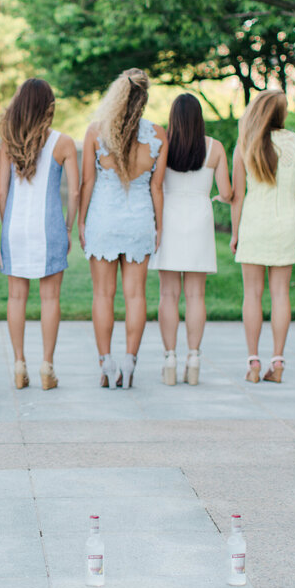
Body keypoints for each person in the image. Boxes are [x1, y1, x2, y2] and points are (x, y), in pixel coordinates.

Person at [79, 68, 168, 389]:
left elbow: (87, 182)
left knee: (103, 294)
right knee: (136, 296)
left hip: (103, 219)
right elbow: (157, 188)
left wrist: (80, 220)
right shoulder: (158, 135)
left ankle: (106, 365)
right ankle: (129, 363)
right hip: (139, 221)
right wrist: (159, 226)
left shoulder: (96, 132)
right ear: (144, 99)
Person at [0, 78, 79, 391]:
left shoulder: (8, 140)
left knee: (16, 297)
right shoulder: (63, 143)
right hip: (50, 227)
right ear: (49, 107)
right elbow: (75, 192)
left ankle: (19, 364)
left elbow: (2, 191)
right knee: (50, 298)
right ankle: (47, 366)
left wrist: (8, 225)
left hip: (14, 226)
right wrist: (69, 226)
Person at [228, 88, 295, 384]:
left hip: (253, 224)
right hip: (284, 224)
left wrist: (235, 232)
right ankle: (278, 363)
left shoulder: (244, 144)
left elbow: (237, 196)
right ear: (281, 112)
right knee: (280, 294)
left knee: (252, 294)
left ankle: (253, 362)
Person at [151, 94, 233, 386]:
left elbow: (155, 185)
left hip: (169, 217)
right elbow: (227, 192)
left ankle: (170, 358)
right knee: (196, 295)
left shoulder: (162, 145)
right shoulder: (215, 148)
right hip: (199, 217)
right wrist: (213, 196)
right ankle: (194, 359)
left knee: (168, 294)